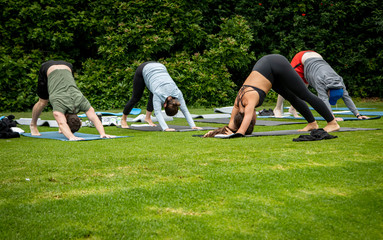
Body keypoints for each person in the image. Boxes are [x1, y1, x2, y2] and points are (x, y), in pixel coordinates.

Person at [204, 54, 340, 138]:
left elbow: (245, 120)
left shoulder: (249, 100)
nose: (255, 116)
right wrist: (214, 133)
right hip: (268, 73)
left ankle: (332, 122)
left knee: (304, 94)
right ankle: (312, 123)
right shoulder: (237, 105)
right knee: (292, 98)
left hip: (275, 63)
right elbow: (230, 125)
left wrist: (239, 133)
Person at [30, 60, 114, 141]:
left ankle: (61, 128)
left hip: (67, 66)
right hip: (47, 69)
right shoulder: (60, 106)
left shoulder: (82, 101)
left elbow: (95, 118)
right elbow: (61, 123)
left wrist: (103, 133)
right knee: (43, 102)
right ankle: (33, 125)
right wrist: (71, 137)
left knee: (47, 103)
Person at [273, 51, 369, 121]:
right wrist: (331, 117)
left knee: (303, 87)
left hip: (315, 60)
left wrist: (357, 114)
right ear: (328, 91)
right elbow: (323, 99)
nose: (327, 96)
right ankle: (277, 108)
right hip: (301, 58)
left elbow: (346, 97)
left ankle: (293, 109)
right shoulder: (320, 82)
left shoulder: (339, 81)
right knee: (287, 83)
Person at [120, 62, 201, 131]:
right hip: (144, 69)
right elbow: (158, 112)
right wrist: (165, 128)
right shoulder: (159, 93)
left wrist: (193, 126)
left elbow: (185, 110)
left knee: (154, 91)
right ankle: (123, 119)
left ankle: (147, 118)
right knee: (136, 97)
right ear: (164, 105)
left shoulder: (178, 93)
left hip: (159, 68)